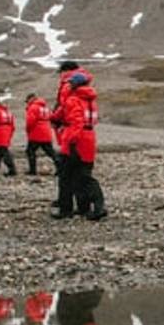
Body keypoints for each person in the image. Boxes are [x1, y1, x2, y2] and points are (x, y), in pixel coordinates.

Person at [51, 74, 105, 219]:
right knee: (82, 174)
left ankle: (66, 209)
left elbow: (76, 122)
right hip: (89, 139)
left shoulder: (73, 100)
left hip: (75, 140)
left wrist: (71, 142)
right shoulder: (90, 101)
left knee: (66, 176)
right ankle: (86, 208)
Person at [23, 93, 57, 175]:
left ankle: (32, 170)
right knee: (51, 152)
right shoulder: (45, 108)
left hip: (36, 134)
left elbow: (30, 121)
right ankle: (60, 168)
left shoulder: (33, 107)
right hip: (46, 133)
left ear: (31, 99)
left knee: (30, 151)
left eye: (27, 101)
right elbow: (52, 117)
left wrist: (28, 130)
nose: (27, 103)